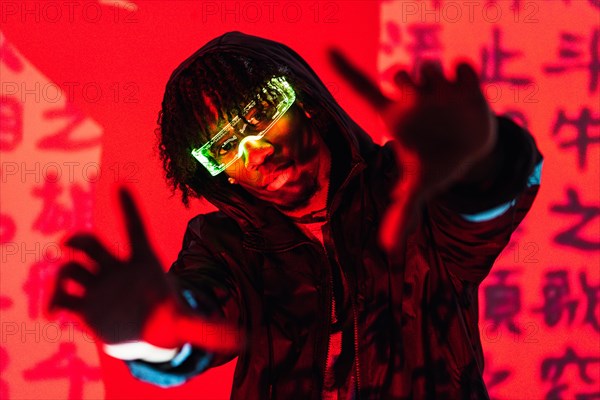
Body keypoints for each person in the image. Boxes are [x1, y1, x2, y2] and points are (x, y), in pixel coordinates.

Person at [50, 32, 543, 399]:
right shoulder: (224, 246)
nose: (255, 150)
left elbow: (483, 210)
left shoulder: (407, 188)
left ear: (303, 103)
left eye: (260, 115)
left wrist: (482, 160)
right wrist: (149, 333)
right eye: (224, 146)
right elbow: (197, 313)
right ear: (216, 172)